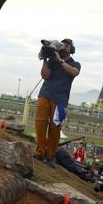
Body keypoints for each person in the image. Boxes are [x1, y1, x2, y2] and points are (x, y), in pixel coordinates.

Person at [33, 39, 80, 168]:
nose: (65, 45)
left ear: (71, 49)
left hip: (60, 100)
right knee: (40, 124)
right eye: (63, 43)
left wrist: (60, 60)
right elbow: (44, 75)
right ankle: (40, 152)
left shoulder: (75, 63)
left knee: (55, 129)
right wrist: (45, 58)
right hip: (45, 94)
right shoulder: (52, 60)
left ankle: (50, 156)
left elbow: (73, 72)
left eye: (68, 44)